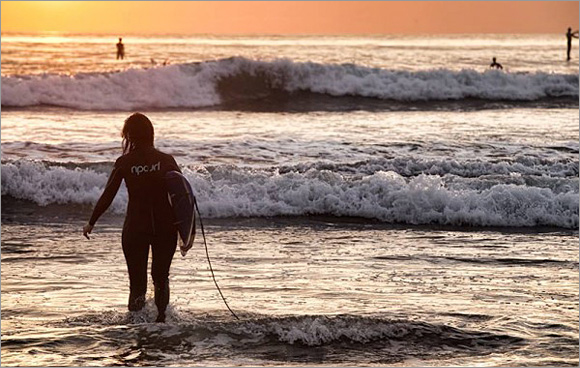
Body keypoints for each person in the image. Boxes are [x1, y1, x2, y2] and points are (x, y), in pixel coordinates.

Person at [83, 113, 181, 322]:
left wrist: (92, 221)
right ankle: (162, 323)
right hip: (165, 228)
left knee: (137, 283)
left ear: (129, 136)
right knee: (161, 279)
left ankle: (137, 326)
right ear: (150, 133)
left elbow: (108, 193)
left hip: (135, 228)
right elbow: (182, 197)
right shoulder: (166, 160)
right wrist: (186, 233)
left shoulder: (125, 162)